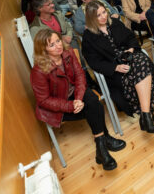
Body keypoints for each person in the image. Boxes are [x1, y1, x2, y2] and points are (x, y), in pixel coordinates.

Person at [30, 29, 126, 170]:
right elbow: (44, 101)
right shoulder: (38, 71)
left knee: (93, 102)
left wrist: (79, 98)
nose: (58, 45)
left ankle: (101, 146)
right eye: (52, 45)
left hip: (75, 94)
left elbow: (80, 76)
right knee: (94, 107)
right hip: (58, 106)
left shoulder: (68, 54)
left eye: (58, 41)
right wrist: (71, 105)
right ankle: (105, 140)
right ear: (43, 49)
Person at [82, 1, 154, 132]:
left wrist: (131, 50)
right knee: (144, 71)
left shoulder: (115, 23)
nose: (103, 16)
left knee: (142, 63)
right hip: (115, 68)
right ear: (92, 18)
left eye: (104, 12)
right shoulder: (88, 37)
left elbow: (131, 37)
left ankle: (146, 116)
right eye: (98, 15)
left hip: (132, 57)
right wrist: (115, 68)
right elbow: (94, 62)